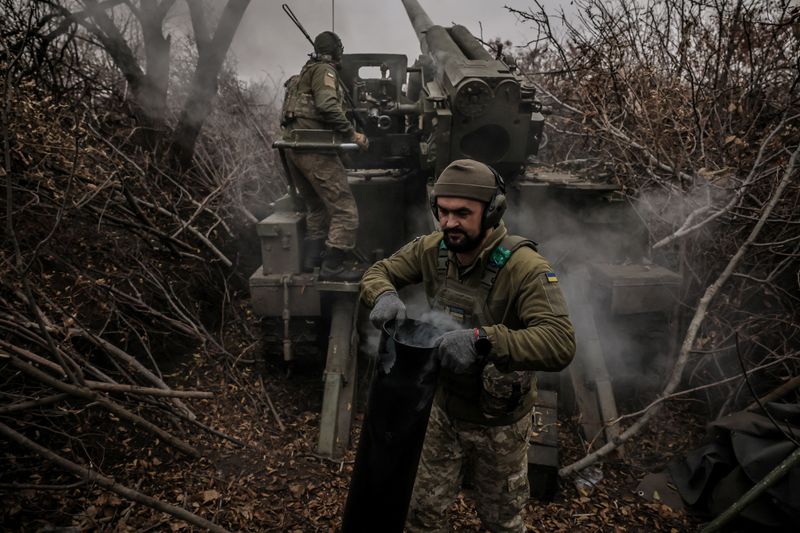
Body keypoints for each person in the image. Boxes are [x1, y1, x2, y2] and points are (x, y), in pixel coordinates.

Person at [360, 159, 576, 532]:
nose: (449, 223)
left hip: (500, 424)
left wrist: (484, 340)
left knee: (502, 522)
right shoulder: (434, 250)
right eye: (442, 212)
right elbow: (378, 272)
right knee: (422, 515)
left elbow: (559, 342)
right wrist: (382, 295)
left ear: (492, 212)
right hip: (442, 409)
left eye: (462, 213)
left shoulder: (525, 267)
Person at [281, 31, 368, 281]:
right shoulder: (324, 72)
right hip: (314, 150)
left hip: (293, 150)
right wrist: (353, 134)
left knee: (316, 206)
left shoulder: (302, 75)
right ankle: (333, 267)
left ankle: (311, 259)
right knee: (345, 210)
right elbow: (327, 105)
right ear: (336, 51)